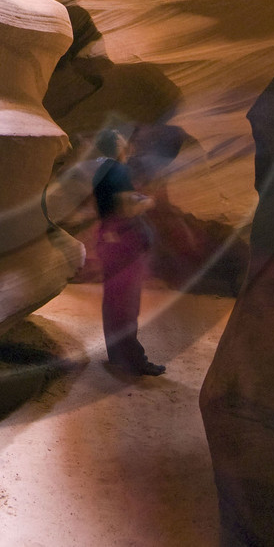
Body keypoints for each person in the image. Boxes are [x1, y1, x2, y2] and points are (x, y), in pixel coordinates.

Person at [91, 128, 165, 376]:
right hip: (125, 244)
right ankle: (134, 361)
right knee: (127, 305)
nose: (128, 144)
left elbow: (115, 200)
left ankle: (117, 355)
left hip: (109, 241)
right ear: (117, 146)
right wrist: (147, 202)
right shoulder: (118, 170)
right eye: (123, 141)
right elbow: (125, 208)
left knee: (113, 302)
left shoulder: (101, 170)